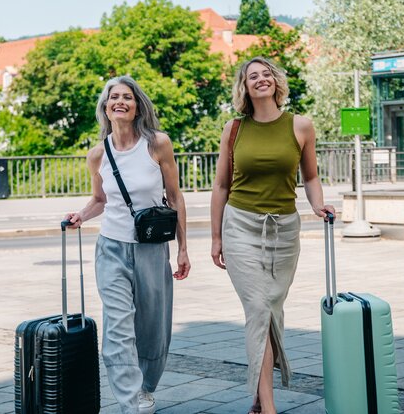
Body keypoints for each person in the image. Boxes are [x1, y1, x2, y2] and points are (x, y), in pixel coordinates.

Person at [209, 57, 335, 414]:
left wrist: (318, 205)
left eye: (267, 74)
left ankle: (258, 394)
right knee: (259, 309)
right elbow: (221, 185)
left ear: (276, 82)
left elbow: (310, 177)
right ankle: (268, 406)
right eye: (253, 76)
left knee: (272, 311)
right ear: (245, 87)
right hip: (240, 227)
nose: (261, 79)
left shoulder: (301, 126)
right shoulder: (234, 129)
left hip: (284, 230)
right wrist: (216, 238)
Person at [65, 75, 191, 414]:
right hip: (111, 249)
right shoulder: (97, 155)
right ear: (106, 108)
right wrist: (80, 215)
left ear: (137, 107)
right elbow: (100, 200)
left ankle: (145, 388)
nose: (120, 101)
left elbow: (175, 197)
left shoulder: (157, 144)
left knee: (153, 327)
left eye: (127, 97)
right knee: (118, 326)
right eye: (114, 97)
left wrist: (182, 248)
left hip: (152, 249)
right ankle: (129, 401)